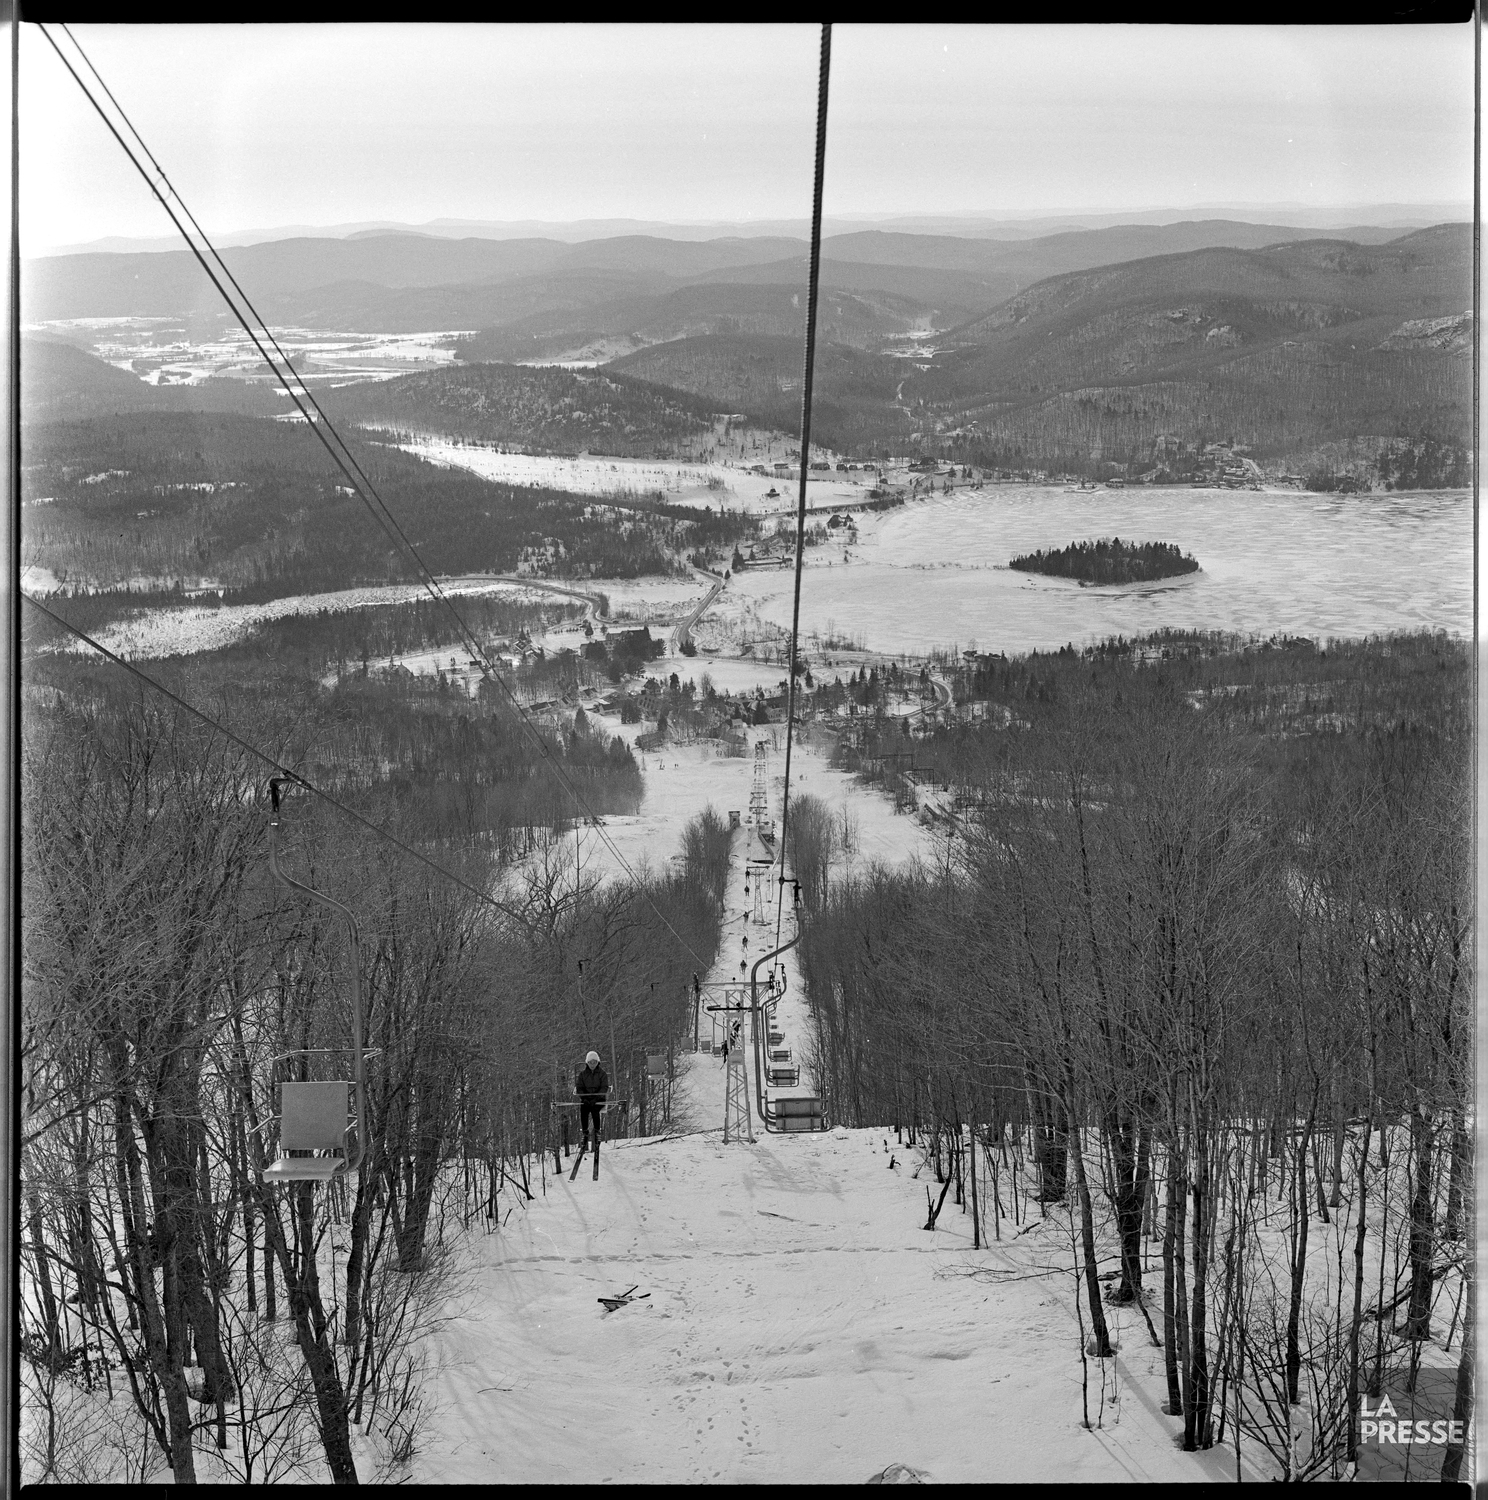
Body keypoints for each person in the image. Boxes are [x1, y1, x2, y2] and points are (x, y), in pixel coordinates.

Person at [575, 1050, 608, 1147]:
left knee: (595, 1110)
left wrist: (597, 1098)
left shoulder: (602, 1074)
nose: (592, 1064)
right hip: (586, 1099)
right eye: (590, 1062)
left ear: (598, 1062)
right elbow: (579, 1087)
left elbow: (604, 1087)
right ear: (587, 1063)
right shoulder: (583, 1075)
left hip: (598, 1099)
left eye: (594, 1062)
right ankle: (585, 1133)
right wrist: (584, 1098)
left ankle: (597, 1132)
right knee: (583, 1111)